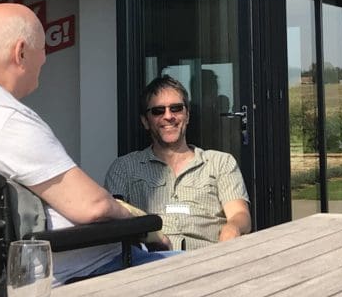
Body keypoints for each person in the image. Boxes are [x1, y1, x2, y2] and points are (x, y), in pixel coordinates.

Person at [0, 3, 176, 286]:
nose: (43, 64)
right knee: (203, 271)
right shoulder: (1, 115)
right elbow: (92, 207)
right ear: (21, 51)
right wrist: (138, 222)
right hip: (79, 270)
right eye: (42, 54)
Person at [105, 75, 251, 251]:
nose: (169, 116)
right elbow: (112, 221)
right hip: (149, 265)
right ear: (145, 121)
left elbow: (240, 214)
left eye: (176, 108)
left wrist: (232, 228)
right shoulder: (124, 168)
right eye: (158, 111)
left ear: (187, 116)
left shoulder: (220, 162)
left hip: (207, 259)